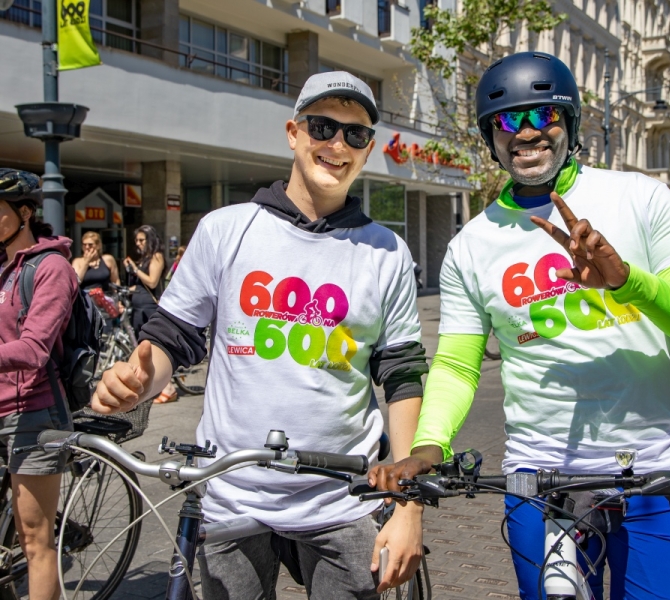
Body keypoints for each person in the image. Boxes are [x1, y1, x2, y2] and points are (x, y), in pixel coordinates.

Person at [370, 52, 670, 599]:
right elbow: (458, 365)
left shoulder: (640, 198)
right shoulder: (471, 244)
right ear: (490, 136)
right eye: (507, 120)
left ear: (571, 122)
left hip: (658, 474)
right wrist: (429, 446)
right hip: (542, 482)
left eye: (544, 115)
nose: (526, 132)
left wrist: (627, 282)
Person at [90, 71, 428, 599]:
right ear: (294, 133)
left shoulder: (387, 251)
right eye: (322, 127)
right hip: (232, 493)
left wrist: (408, 503)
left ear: (368, 149)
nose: (338, 144)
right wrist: (137, 381)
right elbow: (172, 338)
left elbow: (402, 373)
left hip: (342, 498)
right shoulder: (225, 229)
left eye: (356, 134)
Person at [0, 169, 79, 600]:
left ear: (25, 213)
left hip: (33, 411)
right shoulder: (2, 268)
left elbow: (33, 349)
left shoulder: (52, 267)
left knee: (35, 539)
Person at [123, 225, 178, 403]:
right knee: (141, 346)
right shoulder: (145, 258)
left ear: (150, 240)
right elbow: (140, 285)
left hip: (149, 306)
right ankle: (155, 384)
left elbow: (152, 282)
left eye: (141, 240)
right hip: (138, 306)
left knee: (153, 346)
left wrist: (135, 268)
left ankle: (168, 387)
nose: (138, 244)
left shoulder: (156, 257)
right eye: (136, 241)